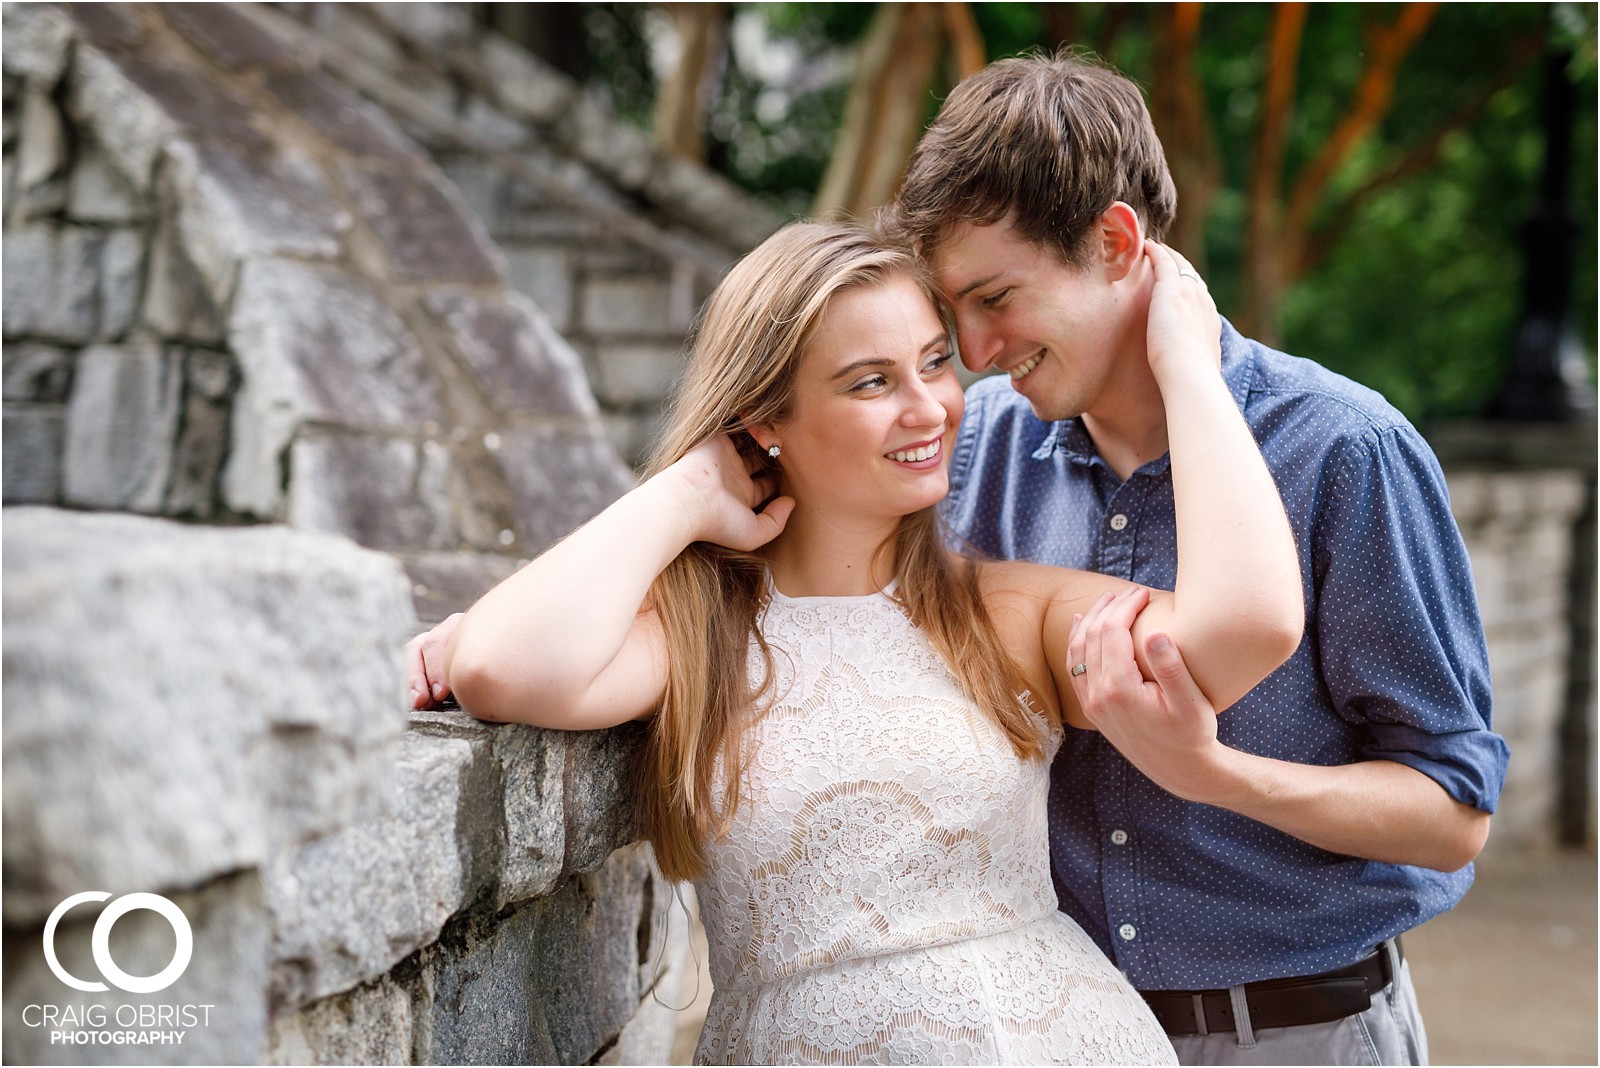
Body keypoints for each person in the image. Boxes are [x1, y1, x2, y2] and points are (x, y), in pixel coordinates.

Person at [408, 219, 1304, 1064]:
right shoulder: (696, 635)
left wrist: (1186, 366)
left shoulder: (1009, 615)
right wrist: (687, 492)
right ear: (764, 420)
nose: (931, 408)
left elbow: (1246, 630)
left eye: (934, 364)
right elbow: (498, 666)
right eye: (872, 382)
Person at [881, 51, 1510, 1065]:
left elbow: (1449, 814)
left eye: (995, 297)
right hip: (1054, 1036)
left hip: (1302, 1037)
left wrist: (1214, 775)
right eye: (953, 310)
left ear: (1117, 241)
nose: (974, 348)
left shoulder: (1344, 452)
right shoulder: (971, 451)